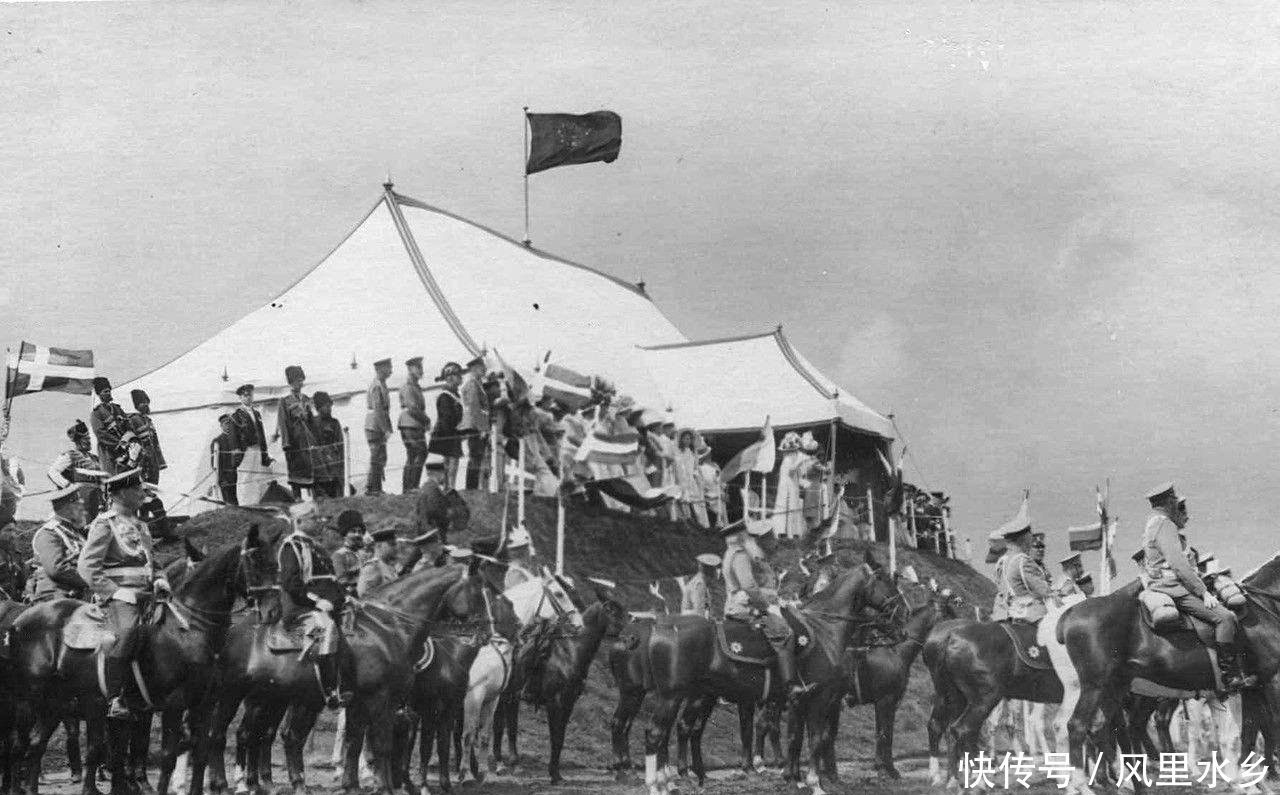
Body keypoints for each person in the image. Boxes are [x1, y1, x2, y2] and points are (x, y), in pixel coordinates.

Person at [77, 469, 171, 719]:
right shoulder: (105, 523)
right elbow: (87, 567)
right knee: (127, 632)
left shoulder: (141, 525)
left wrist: (160, 579)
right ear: (120, 494)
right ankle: (115, 697)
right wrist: (115, 592)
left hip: (147, 595)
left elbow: (151, 561)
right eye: (136, 489)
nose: (142, 493)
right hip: (119, 599)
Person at [1140, 483, 1254, 691]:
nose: (1176, 503)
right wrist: (1203, 592)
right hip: (1173, 587)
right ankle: (1229, 675)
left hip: (1162, 584)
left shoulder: (1152, 524)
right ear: (1168, 502)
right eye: (1174, 499)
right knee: (1225, 618)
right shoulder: (1165, 525)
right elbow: (1178, 564)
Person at [722, 518, 813, 698]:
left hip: (742, 604)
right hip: (745, 607)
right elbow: (748, 586)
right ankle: (789, 685)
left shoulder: (731, 554)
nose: (749, 537)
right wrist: (767, 606)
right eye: (746, 534)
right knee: (784, 633)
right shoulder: (740, 555)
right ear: (741, 536)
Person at [28, 485, 90, 603]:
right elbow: (56, 569)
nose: (84, 511)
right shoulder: (49, 534)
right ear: (67, 509)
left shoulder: (75, 531)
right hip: (56, 597)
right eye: (79, 507)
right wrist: (91, 579)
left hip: (78, 593)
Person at [125, 389, 169, 536]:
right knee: (143, 498)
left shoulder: (148, 421)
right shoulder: (132, 420)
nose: (146, 405)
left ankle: (150, 530)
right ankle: (144, 532)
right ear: (136, 405)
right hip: (142, 465)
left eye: (146, 402)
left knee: (150, 494)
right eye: (142, 403)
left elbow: (155, 444)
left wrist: (159, 462)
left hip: (153, 463)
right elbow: (132, 443)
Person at [999, 525, 1059, 623]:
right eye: (1036, 547)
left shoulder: (1012, 560)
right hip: (1032, 614)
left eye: (1042, 547)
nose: (1041, 550)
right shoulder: (1025, 562)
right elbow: (1044, 591)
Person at [47, 419, 104, 521]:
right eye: (86, 439)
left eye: (89, 438)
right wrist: (68, 486)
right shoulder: (71, 455)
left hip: (96, 499)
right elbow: (52, 472)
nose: (89, 442)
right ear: (78, 441)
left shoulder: (94, 458)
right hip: (80, 500)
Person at [275, 366, 318, 499]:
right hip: (294, 443)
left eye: (301, 380)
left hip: (308, 442)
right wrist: (286, 444)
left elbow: (312, 421)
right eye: (298, 380)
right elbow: (283, 423)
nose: (300, 383)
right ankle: (297, 499)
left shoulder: (306, 399)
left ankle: (315, 499)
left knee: (312, 472)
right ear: (291, 382)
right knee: (296, 474)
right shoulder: (284, 401)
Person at [428, 362, 464, 489]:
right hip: (446, 434)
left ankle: (450, 488)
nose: (461, 378)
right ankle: (449, 489)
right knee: (450, 465)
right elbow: (446, 418)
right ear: (450, 378)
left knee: (452, 465)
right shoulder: (445, 396)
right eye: (458, 375)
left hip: (452, 434)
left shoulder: (454, 395)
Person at [458, 355, 490, 490]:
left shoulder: (477, 383)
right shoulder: (472, 384)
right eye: (482, 367)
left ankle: (473, 486)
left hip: (476, 425)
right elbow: (474, 406)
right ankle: (471, 487)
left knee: (477, 456)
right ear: (475, 368)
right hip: (475, 426)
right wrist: (481, 427)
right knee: (475, 456)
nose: (485, 370)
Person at [398, 357, 430, 493]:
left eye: (421, 367)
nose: (421, 371)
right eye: (418, 368)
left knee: (413, 455)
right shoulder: (408, 387)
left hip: (413, 424)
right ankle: (412, 487)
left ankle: (409, 487)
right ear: (410, 369)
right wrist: (426, 420)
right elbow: (412, 408)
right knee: (420, 452)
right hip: (410, 423)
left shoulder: (415, 386)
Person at [88, 377, 130, 475]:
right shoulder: (96, 413)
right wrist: (118, 444)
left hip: (125, 448)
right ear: (99, 394)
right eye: (105, 392)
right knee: (114, 477)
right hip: (108, 451)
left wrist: (128, 440)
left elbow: (128, 425)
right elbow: (100, 433)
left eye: (109, 391)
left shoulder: (117, 409)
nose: (108, 393)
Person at [364, 359, 393, 496]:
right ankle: (373, 488)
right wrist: (384, 429)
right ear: (380, 369)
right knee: (377, 456)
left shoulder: (382, 384)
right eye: (388, 368)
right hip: (374, 426)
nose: (391, 370)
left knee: (380, 456)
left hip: (377, 425)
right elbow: (378, 409)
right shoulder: (376, 386)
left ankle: (374, 487)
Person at [311, 391, 345, 499]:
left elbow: (341, 445)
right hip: (319, 465)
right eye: (326, 406)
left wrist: (341, 465)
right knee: (320, 496)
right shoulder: (312, 423)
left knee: (337, 495)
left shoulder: (334, 423)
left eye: (330, 406)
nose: (330, 408)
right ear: (319, 408)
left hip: (333, 465)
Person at [673, 429, 709, 528]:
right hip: (681, 479)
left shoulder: (693, 452)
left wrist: (697, 478)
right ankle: (687, 521)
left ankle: (700, 523)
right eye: (685, 439)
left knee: (696, 501)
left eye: (689, 439)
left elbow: (695, 467)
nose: (687, 441)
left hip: (691, 479)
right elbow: (678, 466)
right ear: (681, 439)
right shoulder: (678, 452)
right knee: (684, 501)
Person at [330, 510, 365, 597]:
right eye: (353, 531)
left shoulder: (364, 553)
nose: (357, 534)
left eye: (360, 531)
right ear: (345, 534)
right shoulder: (339, 555)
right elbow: (342, 582)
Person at [357, 527, 401, 598]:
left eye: (396, 544)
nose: (396, 548)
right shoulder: (372, 567)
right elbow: (364, 598)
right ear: (379, 546)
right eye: (392, 544)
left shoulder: (390, 566)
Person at [212, 414, 241, 506]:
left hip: (233, 475)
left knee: (234, 499)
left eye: (230, 424)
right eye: (226, 424)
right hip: (224, 476)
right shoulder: (217, 441)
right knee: (228, 501)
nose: (228, 426)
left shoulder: (235, 440)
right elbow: (215, 463)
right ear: (221, 426)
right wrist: (221, 478)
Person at [681, 552, 721, 618]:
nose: (716, 574)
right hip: (692, 620)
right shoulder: (700, 584)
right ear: (710, 572)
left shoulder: (701, 582)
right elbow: (699, 612)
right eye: (715, 570)